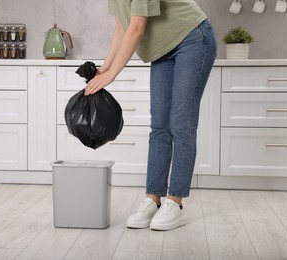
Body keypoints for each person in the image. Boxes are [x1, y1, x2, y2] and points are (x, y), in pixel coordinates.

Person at [84, 0, 217, 231]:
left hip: (192, 38)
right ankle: (153, 198)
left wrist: (111, 75)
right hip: (163, 49)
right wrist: (105, 66)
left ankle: (175, 201)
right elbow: (121, 28)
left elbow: (136, 29)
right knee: (159, 125)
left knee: (181, 123)